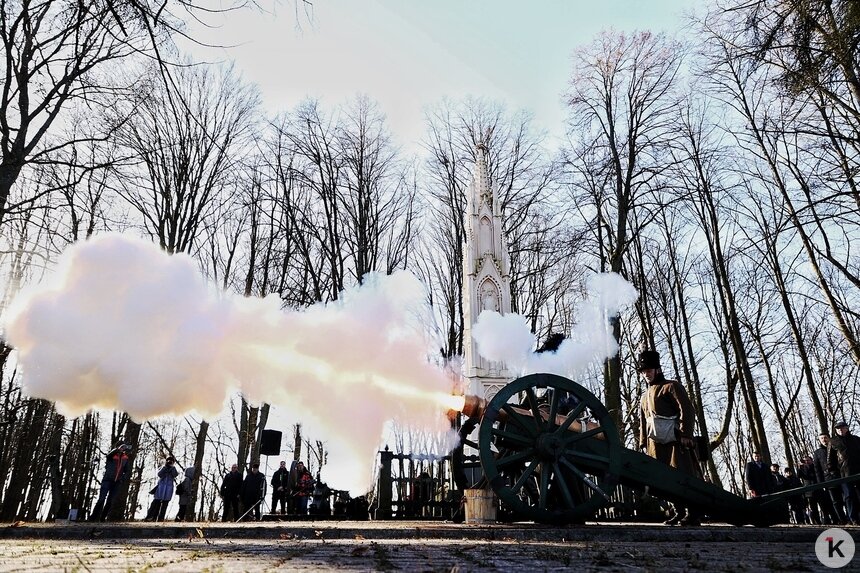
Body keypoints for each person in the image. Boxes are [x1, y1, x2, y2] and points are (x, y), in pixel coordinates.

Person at [637, 349, 701, 526]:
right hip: (655, 444)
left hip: (675, 441)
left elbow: (686, 409)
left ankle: (692, 512)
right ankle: (677, 511)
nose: (646, 375)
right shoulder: (644, 397)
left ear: (657, 370)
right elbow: (643, 421)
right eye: (643, 372)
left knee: (683, 475)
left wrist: (686, 434)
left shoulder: (671, 386)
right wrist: (643, 443)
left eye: (648, 371)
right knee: (664, 480)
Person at [90, 441, 132, 522]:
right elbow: (108, 455)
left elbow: (127, 470)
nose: (123, 448)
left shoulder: (125, 458)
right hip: (107, 480)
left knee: (110, 501)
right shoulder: (112, 455)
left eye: (124, 447)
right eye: (121, 447)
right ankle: (93, 518)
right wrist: (117, 449)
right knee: (101, 499)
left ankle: (102, 518)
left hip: (117, 482)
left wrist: (122, 478)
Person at [829, 420, 860, 524]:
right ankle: (853, 518)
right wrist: (834, 472)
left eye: (842, 428)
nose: (840, 430)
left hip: (858, 471)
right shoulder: (833, 442)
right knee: (849, 496)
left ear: (847, 428)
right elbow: (830, 460)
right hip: (844, 473)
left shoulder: (856, 439)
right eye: (838, 428)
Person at [814, 433, 847, 524]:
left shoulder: (836, 447)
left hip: (841, 476)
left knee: (847, 497)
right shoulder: (817, 453)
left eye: (825, 437)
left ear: (829, 438)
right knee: (835, 501)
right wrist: (821, 483)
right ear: (820, 440)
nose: (824, 439)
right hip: (828, 479)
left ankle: (851, 518)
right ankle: (842, 519)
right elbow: (817, 469)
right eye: (822, 438)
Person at [797, 455, 822, 524]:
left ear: (811, 460)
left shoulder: (815, 467)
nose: (806, 462)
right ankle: (817, 522)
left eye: (808, 460)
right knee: (813, 508)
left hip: (818, 488)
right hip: (809, 491)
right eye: (805, 461)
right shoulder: (802, 469)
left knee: (823, 506)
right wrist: (800, 467)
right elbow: (799, 476)